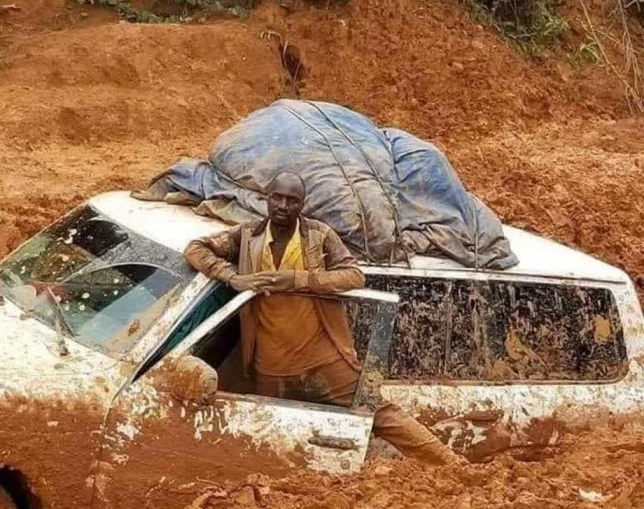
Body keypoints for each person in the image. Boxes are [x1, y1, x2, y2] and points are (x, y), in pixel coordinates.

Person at [184, 172, 459, 465]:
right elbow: (195, 248)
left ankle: (452, 466)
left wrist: (298, 280)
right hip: (270, 366)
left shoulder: (318, 235)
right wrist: (232, 277)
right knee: (271, 439)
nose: (283, 206)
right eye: (277, 198)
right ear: (267, 199)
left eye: (292, 200)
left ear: (302, 205)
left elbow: (353, 275)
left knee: (379, 412)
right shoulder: (248, 235)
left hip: (322, 360)